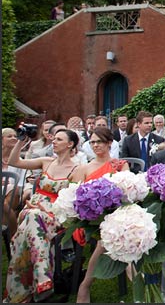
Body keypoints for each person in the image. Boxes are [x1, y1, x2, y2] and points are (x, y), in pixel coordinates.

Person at [4, 129, 81, 303]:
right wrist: (20, 141)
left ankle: (24, 292)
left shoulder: (77, 169)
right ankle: (43, 278)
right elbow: (14, 161)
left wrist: (46, 209)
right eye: (54, 138)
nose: (53, 141)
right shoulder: (46, 162)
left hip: (56, 215)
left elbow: (73, 200)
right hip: (32, 211)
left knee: (28, 226)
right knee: (33, 215)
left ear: (70, 144)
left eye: (59, 139)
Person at [75, 127, 129, 303]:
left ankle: (85, 285)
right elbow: (75, 197)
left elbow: (127, 192)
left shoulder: (120, 165)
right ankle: (85, 285)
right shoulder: (84, 168)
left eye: (99, 141)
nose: (95, 145)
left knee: (119, 234)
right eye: (92, 142)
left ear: (109, 143)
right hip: (91, 219)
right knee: (107, 238)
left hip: (117, 213)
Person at [2, 128, 27, 239]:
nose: (13, 138)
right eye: (9, 136)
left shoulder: (19, 160)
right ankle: (14, 235)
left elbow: (21, 184)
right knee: (3, 205)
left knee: (13, 188)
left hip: (14, 195)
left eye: (14, 136)